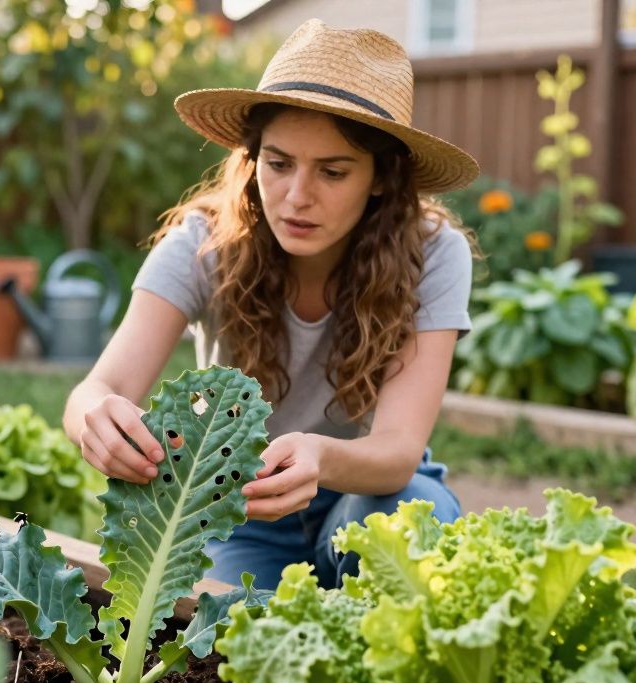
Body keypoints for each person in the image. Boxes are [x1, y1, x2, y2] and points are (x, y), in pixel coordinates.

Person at [62, 19, 479, 590]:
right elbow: (98, 387)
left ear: (381, 178)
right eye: (279, 164)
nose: (297, 197)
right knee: (235, 629)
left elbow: (398, 454)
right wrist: (96, 417)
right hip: (242, 510)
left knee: (405, 525)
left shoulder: (433, 253)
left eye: (333, 171)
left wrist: (319, 456)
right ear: (253, 158)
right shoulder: (202, 242)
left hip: (371, 491)